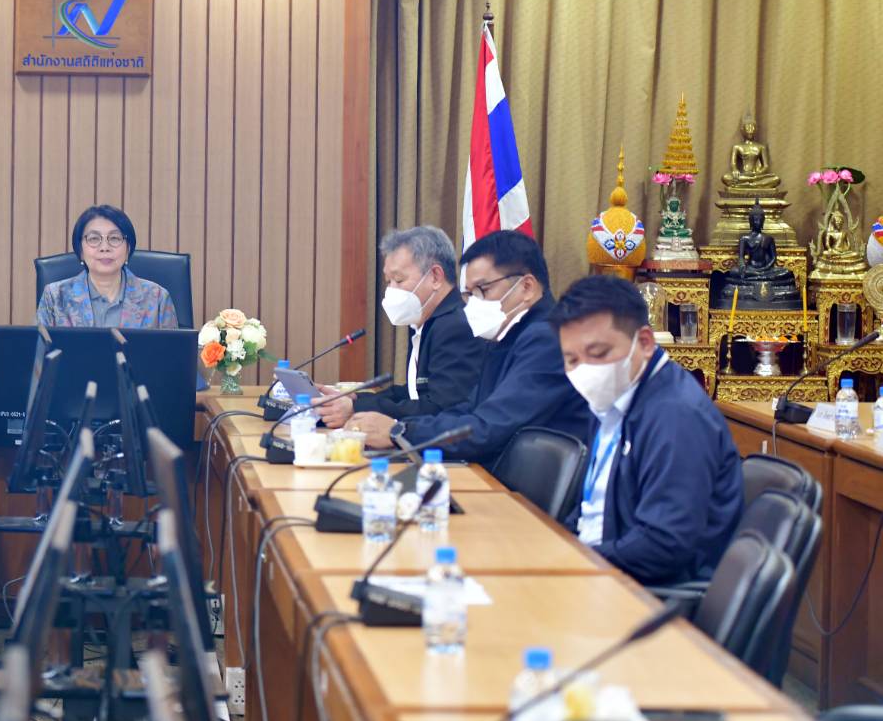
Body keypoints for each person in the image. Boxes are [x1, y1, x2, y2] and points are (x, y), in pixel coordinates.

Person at [552, 275, 743, 585]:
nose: (585, 370)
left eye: (598, 354)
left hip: (649, 592)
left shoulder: (676, 416)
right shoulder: (613, 396)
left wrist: (577, 561)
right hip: (602, 568)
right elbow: (589, 508)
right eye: (572, 360)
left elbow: (663, 543)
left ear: (644, 342)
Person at [346, 230, 592, 464]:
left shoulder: (547, 338)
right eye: (470, 294)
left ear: (526, 287)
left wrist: (400, 432)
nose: (474, 304)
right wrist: (400, 429)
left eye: (483, 289)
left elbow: (488, 428)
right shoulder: (509, 335)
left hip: (522, 488)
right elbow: (468, 410)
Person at [316, 226, 487, 427]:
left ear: (435, 277)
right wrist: (355, 398)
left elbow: (440, 407)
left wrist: (356, 409)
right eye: (388, 281)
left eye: (398, 280)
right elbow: (415, 392)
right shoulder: (429, 321)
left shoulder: (456, 326)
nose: (391, 290)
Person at [37, 204, 179, 328]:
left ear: (128, 249)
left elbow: (172, 350)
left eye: (114, 238)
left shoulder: (157, 298)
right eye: (94, 239)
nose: (104, 247)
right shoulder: (55, 298)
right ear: (80, 250)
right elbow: (40, 349)